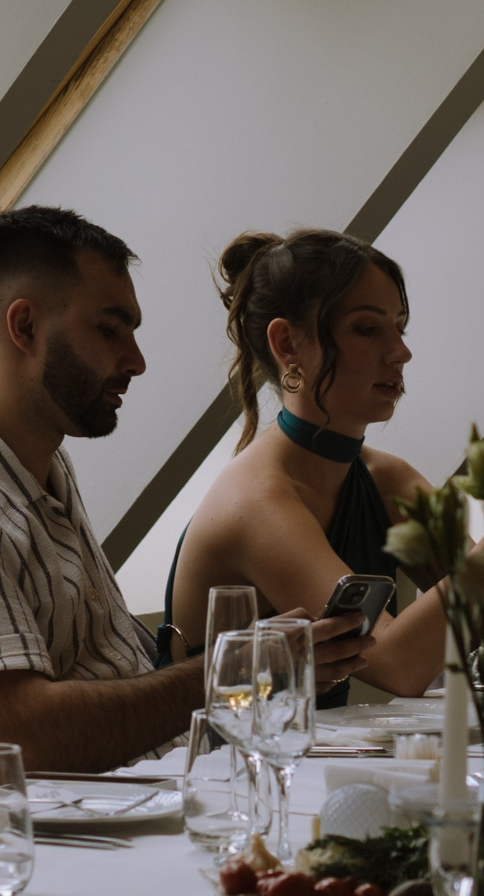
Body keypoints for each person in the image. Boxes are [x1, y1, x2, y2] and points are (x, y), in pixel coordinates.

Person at [0, 206, 365, 772]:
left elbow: (109, 672)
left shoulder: (42, 466)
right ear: (25, 327)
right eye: (109, 330)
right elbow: (19, 741)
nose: (135, 361)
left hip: (137, 806)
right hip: (31, 851)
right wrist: (234, 669)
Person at [166, 230, 446, 699]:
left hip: (308, 763)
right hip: (220, 766)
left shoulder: (387, 479)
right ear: (288, 345)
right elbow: (399, 663)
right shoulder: (254, 502)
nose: (401, 351)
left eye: (400, 327)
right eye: (367, 328)